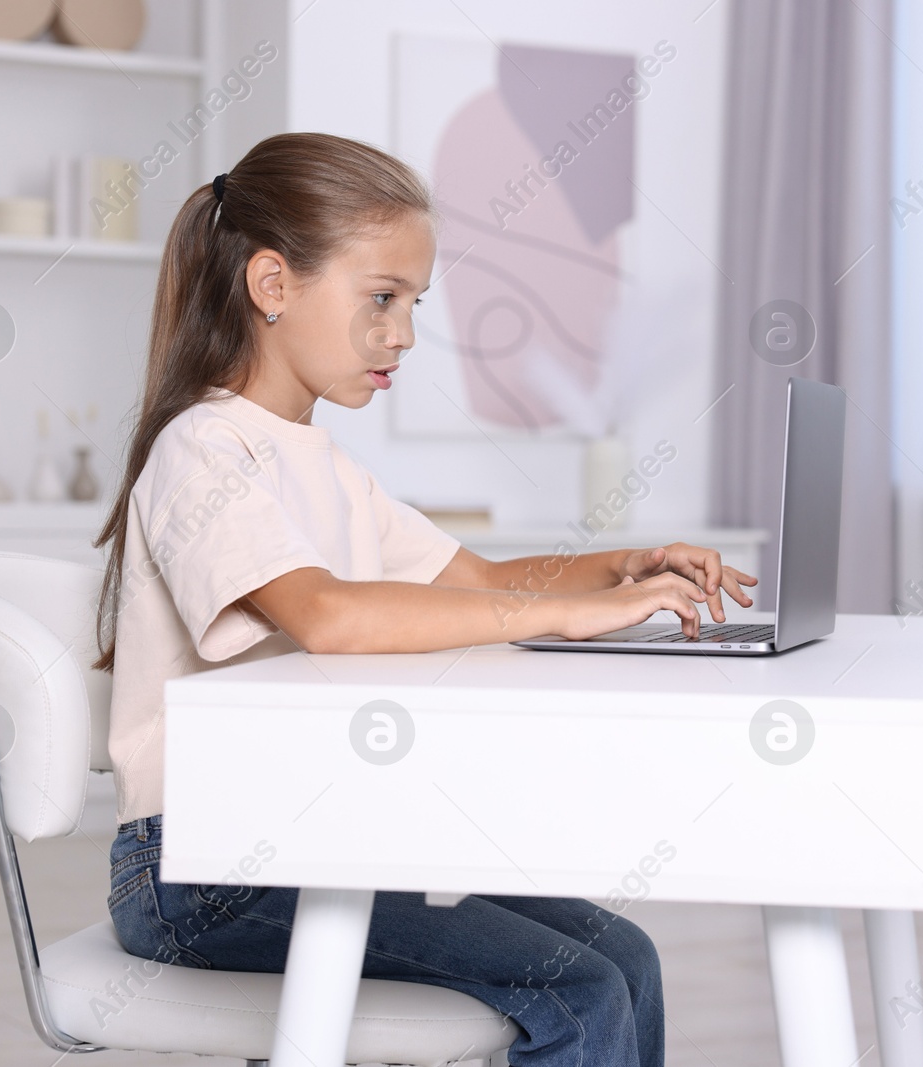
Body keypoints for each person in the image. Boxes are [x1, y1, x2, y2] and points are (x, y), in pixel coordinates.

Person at [92, 132, 757, 1067]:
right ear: (273, 286)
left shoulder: (325, 464)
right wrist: (562, 614)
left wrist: (625, 567)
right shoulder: (204, 449)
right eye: (382, 298)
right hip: (204, 870)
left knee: (626, 956)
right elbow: (328, 614)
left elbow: (479, 583)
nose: (402, 333)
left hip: (320, 839)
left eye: (411, 304)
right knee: (577, 993)